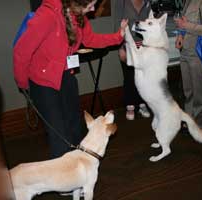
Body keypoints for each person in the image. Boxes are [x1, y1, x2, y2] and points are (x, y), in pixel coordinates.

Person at [13, 0, 128, 158]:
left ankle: (78, 168)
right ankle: (64, 178)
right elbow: (21, 51)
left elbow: (91, 39)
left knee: (75, 128)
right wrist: (23, 84)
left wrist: (118, 36)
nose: (93, 8)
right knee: (59, 136)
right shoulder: (47, 15)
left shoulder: (78, 15)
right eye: (90, 4)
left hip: (66, 75)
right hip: (43, 82)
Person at [174, 0, 202, 131]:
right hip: (185, 52)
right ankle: (190, 121)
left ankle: (200, 127)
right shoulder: (188, 1)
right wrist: (180, 35)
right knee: (188, 92)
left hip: (199, 54)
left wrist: (186, 25)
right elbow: (183, 23)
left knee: (200, 93)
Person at [114, 0, 151, 120]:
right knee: (129, 76)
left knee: (143, 76)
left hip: (144, 45)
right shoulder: (122, 2)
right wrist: (120, 48)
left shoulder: (147, 2)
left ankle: (142, 103)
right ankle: (130, 105)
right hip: (127, 45)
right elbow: (117, 25)